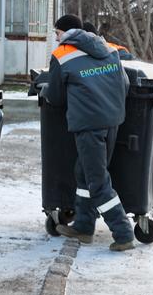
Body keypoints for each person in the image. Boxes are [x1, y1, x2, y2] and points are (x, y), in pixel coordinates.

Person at [43, 13, 134, 251]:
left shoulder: (62, 56)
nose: (56, 38)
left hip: (88, 124)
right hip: (113, 119)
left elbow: (55, 97)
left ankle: (123, 232)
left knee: (97, 180)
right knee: (84, 173)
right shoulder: (107, 48)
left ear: (63, 33)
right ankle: (84, 225)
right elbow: (124, 84)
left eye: (56, 33)